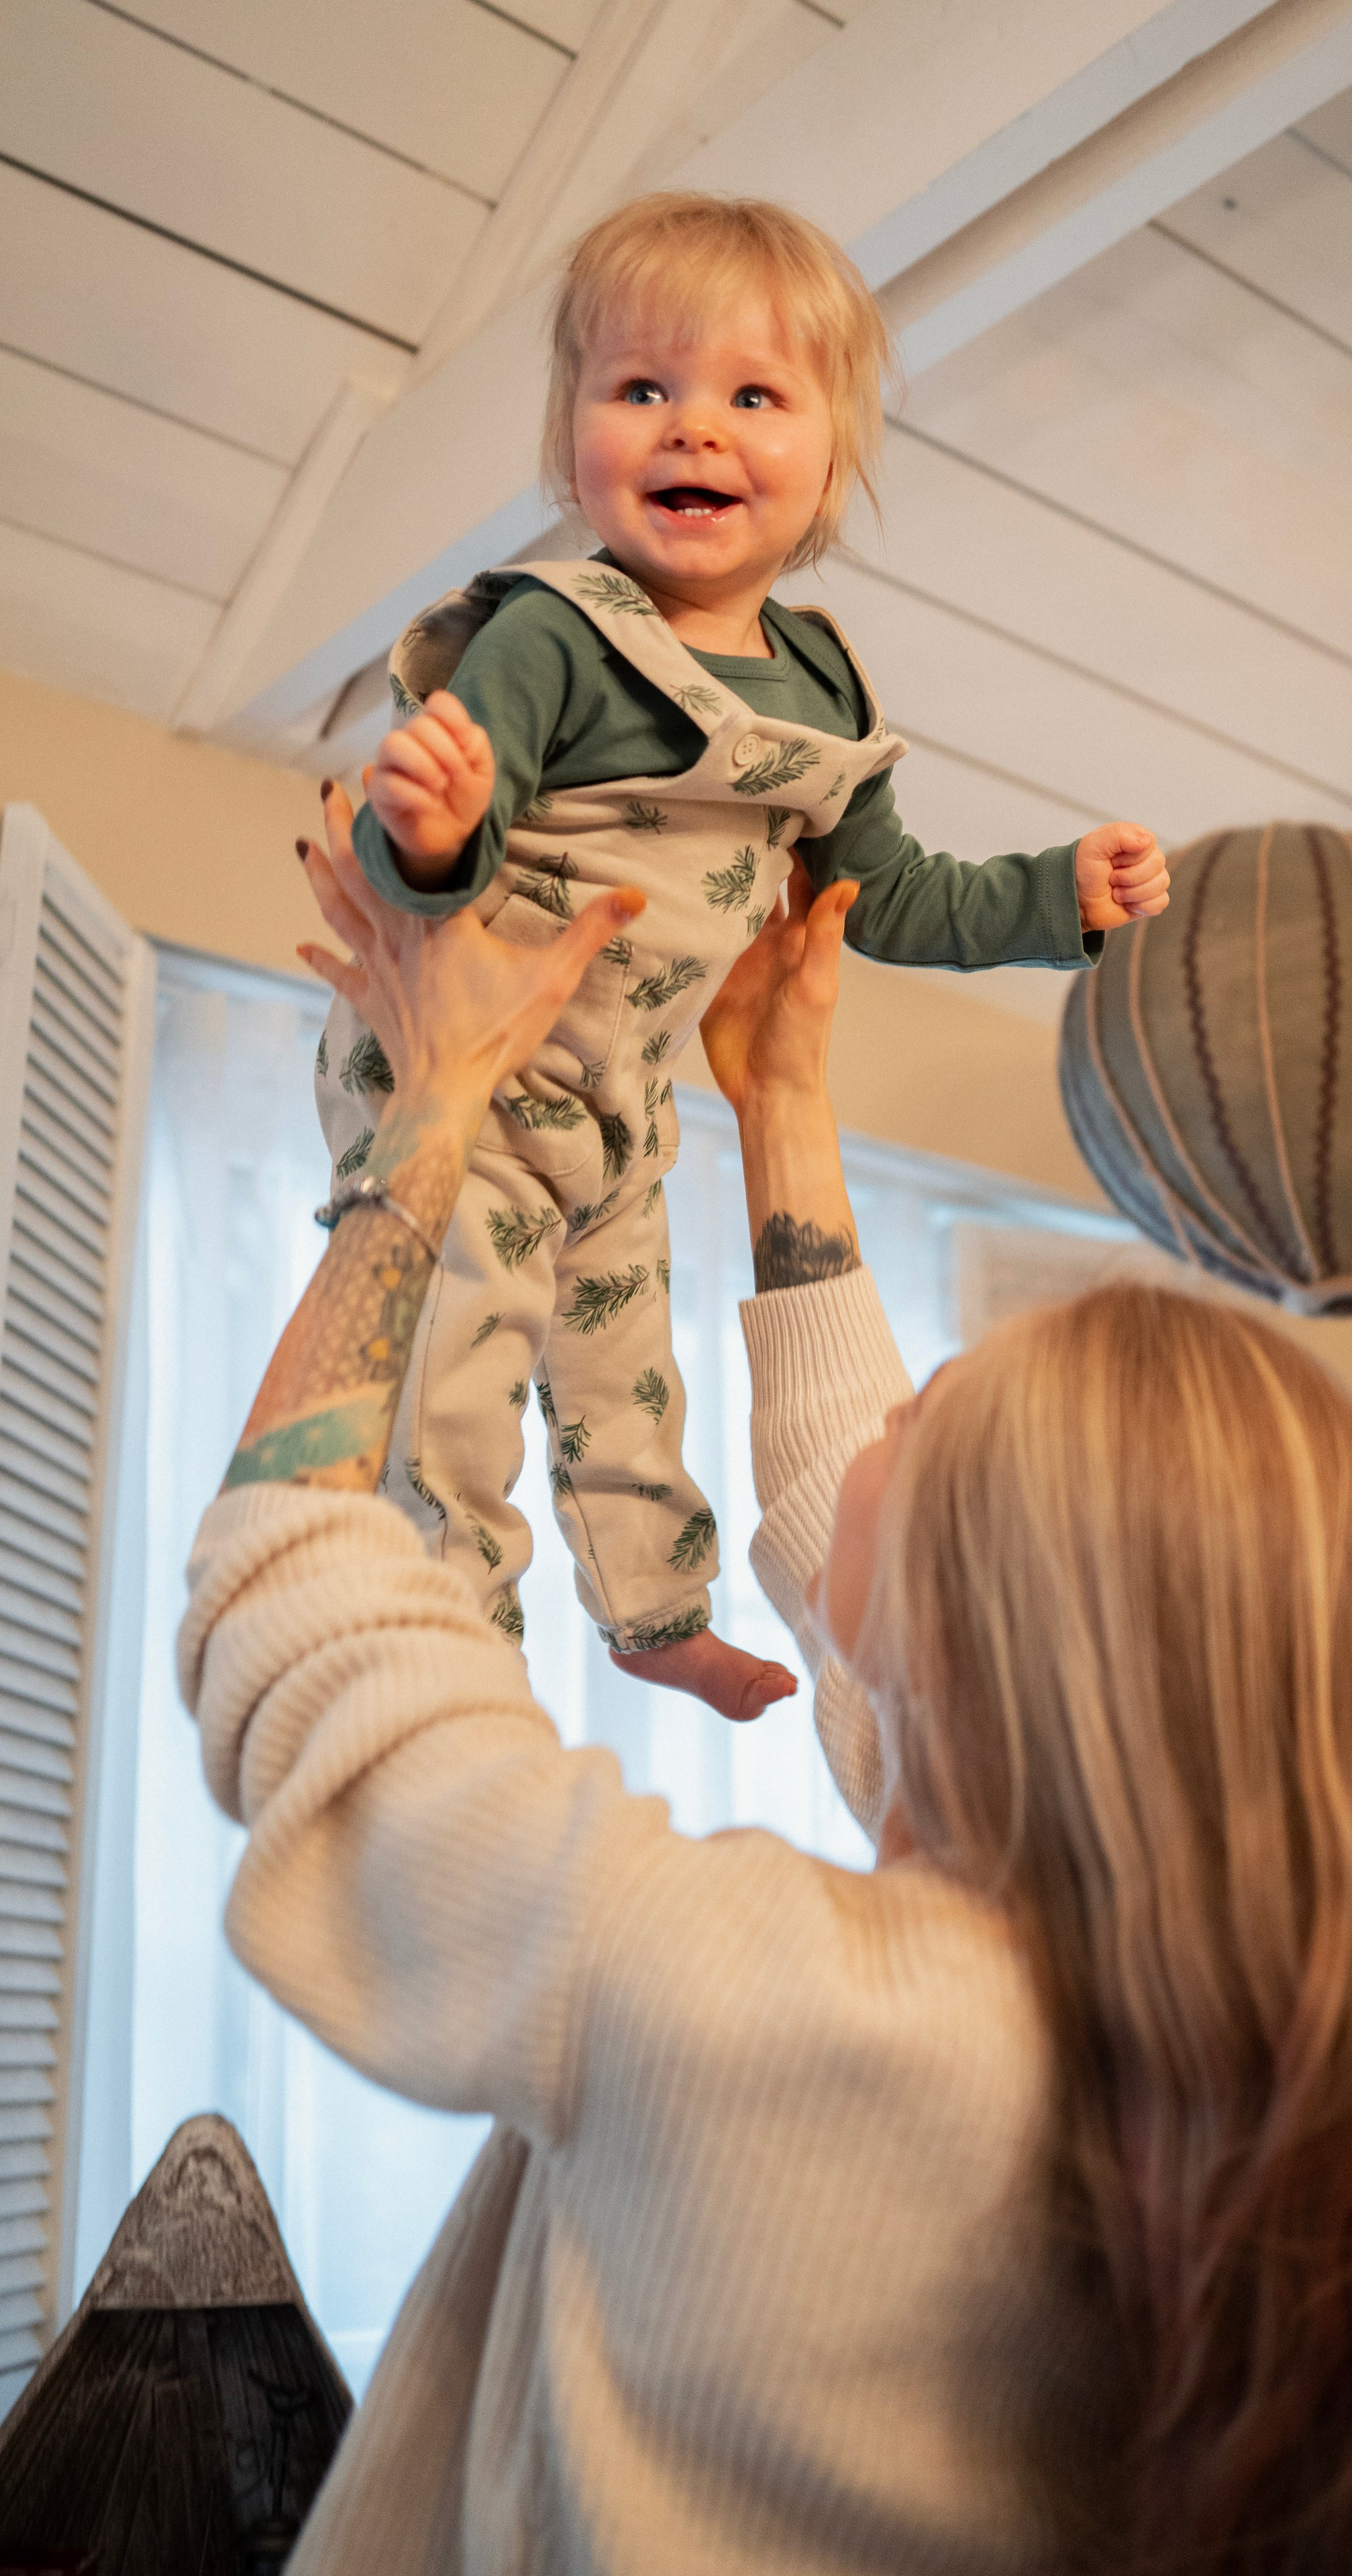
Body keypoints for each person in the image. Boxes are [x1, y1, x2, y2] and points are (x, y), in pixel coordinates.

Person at [183, 788, 1352, 2576]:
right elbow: (858, 1530)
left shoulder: (720, 1989)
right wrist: (786, 1101)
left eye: (932, 1409)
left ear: (980, 1625)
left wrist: (425, 1119)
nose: (886, 1419)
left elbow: (290, 1590)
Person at [320, 190, 1170, 1726]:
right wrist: (434, 828)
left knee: (625, 1363)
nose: (689, 429)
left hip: (619, 1105)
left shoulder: (826, 693)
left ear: (831, 457)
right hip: (461, 1065)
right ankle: (447, 1643)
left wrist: (1061, 898)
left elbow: (886, 898)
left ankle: (652, 1613)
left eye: (749, 396)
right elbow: (403, 888)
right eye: (638, 389)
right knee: (464, 1353)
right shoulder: (552, 639)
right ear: (568, 436)